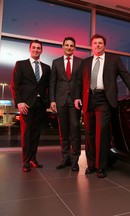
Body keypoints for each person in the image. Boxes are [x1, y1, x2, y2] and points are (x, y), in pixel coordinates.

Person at [74, 34, 130, 178]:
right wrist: (77, 97)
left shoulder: (113, 59)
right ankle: (91, 165)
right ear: (91, 46)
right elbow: (79, 82)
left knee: (102, 132)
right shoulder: (85, 63)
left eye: (100, 43)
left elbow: (125, 74)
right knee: (90, 134)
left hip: (104, 99)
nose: (97, 45)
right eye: (95, 43)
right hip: (89, 99)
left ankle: (101, 166)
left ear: (104, 45)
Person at [11, 40, 51, 172]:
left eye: (38, 48)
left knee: (36, 134)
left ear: (41, 50)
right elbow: (15, 85)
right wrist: (19, 102)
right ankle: (26, 161)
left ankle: (33, 159)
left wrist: (49, 101)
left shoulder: (46, 68)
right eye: (34, 48)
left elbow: (48, 87)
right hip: (26, 105)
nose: (36, 50)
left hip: (40, 105)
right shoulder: (21, 64)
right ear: (30, 49)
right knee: (26, 133)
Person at [49, 37, 82, 171]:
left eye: (71, 45)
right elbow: (52, 82)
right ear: (63, 46)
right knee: (63, 131)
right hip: (60, 100)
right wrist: (52, 100)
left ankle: (75, 160)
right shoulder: (56, 62)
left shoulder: (80, 62)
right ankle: (65, 158)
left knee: (75, 129)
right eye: (67, 45)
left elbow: (81, 82)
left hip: (74, 100)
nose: (69, 47)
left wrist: (80, 98)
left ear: (74, 48)